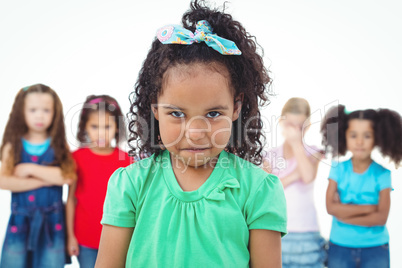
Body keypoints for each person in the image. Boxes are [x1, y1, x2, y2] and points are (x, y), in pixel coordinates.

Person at [95, 1, 287, 267]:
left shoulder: (258, 190)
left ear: (236, 108)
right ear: (155, 110)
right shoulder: (130, 185)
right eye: (177, 114)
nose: (196, 133)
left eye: (212, 114)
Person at [0, 84, 75, 268]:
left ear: (55, 113)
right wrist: (45, 180)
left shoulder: (59, 145)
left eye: (46, 110)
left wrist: (28, 169)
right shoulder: (13, 145)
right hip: (20, 224)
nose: (39, 115)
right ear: (21, 112)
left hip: (53, 225)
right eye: (33, 110)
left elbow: (67, 177)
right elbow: (3, 180)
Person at [321, 104, 402, 268]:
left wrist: (343, 213)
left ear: (377, 138)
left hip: (375, 248)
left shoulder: (383, 174)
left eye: (367, 135)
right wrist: (370, 208)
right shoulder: (338, 170)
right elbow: (330, 208)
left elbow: (381, 218)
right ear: (344, 136)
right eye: (353, 135)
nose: (359, 142)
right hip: (340, 246)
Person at [65, 95, 132, 268]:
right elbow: (71, 199)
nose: (101, 133)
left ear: (117, 127)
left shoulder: (127, 161)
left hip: (119, 240)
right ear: (85, 127)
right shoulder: (77, 158)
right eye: (95, 126)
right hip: (85, 239)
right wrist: (70, 236)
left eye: (107, 126)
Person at [264, 98, 327, 267]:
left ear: (308, 126)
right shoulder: (269, 156)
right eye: (290, 125)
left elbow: (307, 176)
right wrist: (294, 175)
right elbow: (268, 190)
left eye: (299, 126)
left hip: (306, 233)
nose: (294, 130)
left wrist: (296, 143)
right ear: (281, 122)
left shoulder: (314, 152)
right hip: (276, 232)